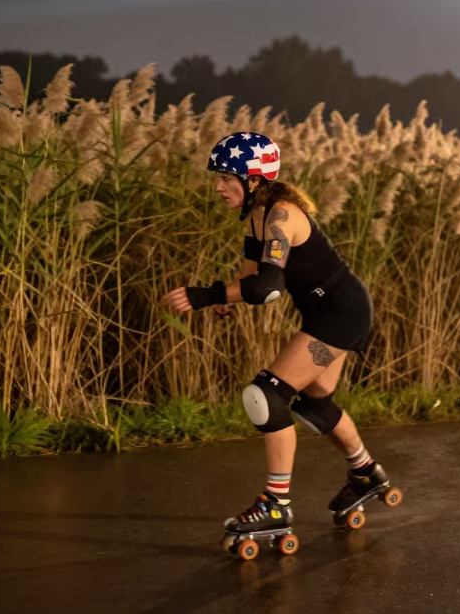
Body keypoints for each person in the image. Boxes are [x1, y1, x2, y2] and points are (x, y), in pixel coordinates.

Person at [166, 130, 390, 536]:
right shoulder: (257, 216)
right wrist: (226, 297)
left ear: (253, 180)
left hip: (340, 314)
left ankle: (276, 504)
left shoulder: (282, 215)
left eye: (226, 177)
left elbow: (268, 289)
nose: (217, 186)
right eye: (217, 177)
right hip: (330, 313)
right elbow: (251, 279)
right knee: (312, 402)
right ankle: (366, 473)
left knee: (265, 395)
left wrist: (207, 294)